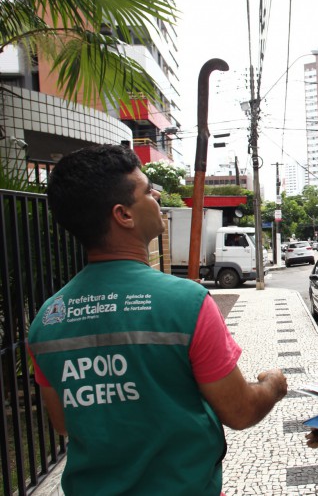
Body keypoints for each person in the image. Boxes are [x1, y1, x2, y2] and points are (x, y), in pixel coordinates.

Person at [27, 144, 287, 495]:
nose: (158, 198)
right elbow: (240, 411)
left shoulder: (47, 320)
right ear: (124, 215)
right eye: (148, 190)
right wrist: (273, 384)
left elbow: (62, 422)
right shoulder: (186, 303)